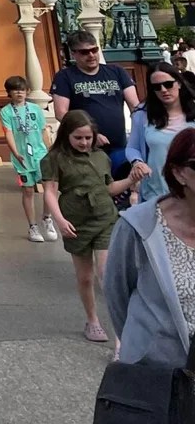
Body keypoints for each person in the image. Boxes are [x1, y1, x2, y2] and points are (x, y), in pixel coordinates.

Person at [42, 109, 144, 342]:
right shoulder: (54, 159)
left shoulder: (100, 157)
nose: (84, 142)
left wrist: (130, 181)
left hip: (104, 217)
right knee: (85, 276)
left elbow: (109, 188)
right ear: (67, 134)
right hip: (75, 221)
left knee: (106, 275)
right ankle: (92, 320)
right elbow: (49, 191)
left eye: (88, 138)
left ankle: (120, 335)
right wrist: (59, 219)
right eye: (78, 137)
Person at [105, 125, 195, 366]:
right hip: (158, 373)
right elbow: (117, 294)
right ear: (178, 173)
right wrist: (144, 345)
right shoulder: (139, 226)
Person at [51, 31, 141, 175]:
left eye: (94, 50)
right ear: (74, 54)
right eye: (85, 52)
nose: (91, 55)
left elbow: (135, 106)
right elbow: (61, 113)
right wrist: (91, 135)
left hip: (119, 145)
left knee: (121, 189)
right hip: (84, 148)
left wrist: (140, 134)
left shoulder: (116, 71)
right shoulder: (65, 77)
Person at [0, 75, 57, 242]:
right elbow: (8, 133)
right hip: (22, 157)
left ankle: (47, 217)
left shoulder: (35, 109)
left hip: (40, 153)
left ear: (27, 92)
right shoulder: (6, 112)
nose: (19, 93)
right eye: (15, 90)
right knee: (28, 190)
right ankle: (33, 226)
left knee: (49, 186)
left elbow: (42, 130)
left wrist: (49, 149)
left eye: (22, 90)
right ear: (9, 93)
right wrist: (16, 153)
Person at [128, 62, 195, 202]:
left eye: (168, 84)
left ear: (179, 84)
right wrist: (137, 162)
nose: (163, 90)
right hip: (156, 191)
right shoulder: (142, 114)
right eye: (156, 87)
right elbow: (132, 147)